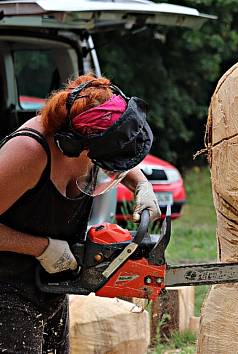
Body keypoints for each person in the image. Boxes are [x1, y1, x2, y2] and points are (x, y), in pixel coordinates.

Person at [0, 74, 161, 353]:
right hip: (6, 290)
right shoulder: (28, 152)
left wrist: (141, 185)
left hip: (50, 288)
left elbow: (116, 157)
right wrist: (42, 248)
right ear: (78, 144)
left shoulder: (85, 139)